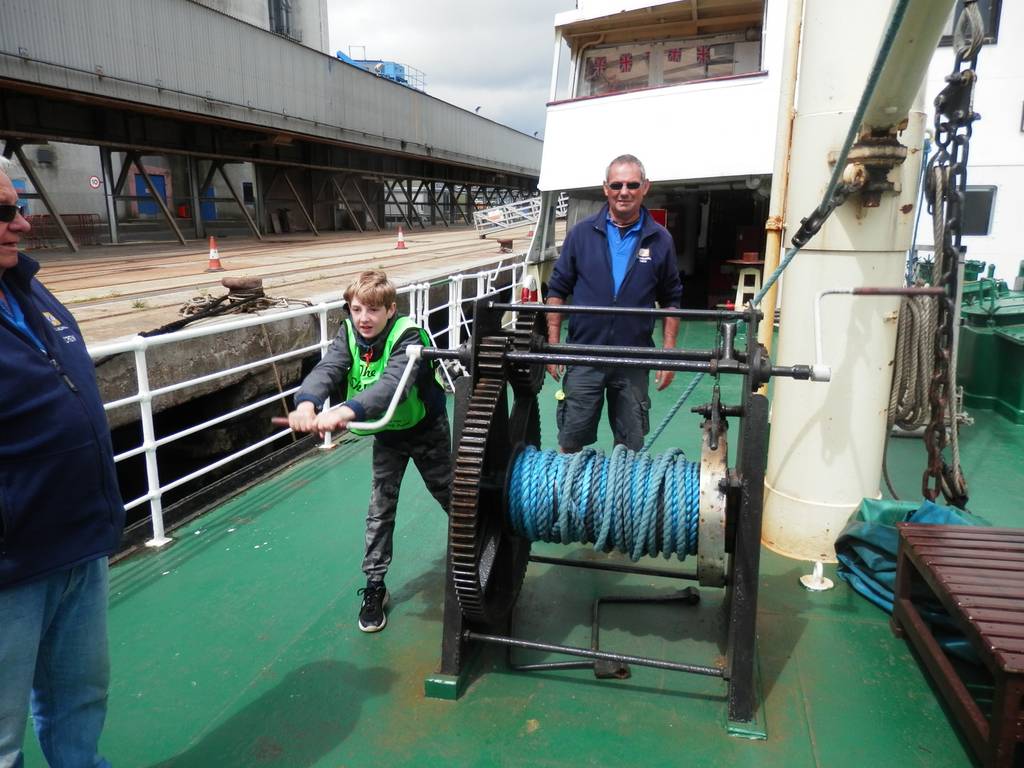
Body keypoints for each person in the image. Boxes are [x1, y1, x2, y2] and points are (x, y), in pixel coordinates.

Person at [0, 166, 125, 767]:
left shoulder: (25, 286)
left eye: (19, 206)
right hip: (11, 567)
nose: (21, 223)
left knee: (79, 701)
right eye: (4, 213)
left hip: (77, 544)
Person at [287, 270, 451, 633]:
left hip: (426, 430)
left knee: (451, 497)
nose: (363, 318)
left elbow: (394, 384)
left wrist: (345, 410)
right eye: (357, 308)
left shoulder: (409, 335)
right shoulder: (348, 333)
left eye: (373, 310)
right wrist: (306, 403)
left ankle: (479, 549)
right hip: (388, 436)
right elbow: (329, 368)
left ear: (390, 310)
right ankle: (375, 586)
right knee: (380, 510)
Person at [545, 154, 683, 453]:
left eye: (632, 184)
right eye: (617, 184)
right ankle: (573, 497)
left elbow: (672, 298)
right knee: (571, 441)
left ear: (645, 187)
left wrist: (668, 351)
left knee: (630, 445)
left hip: (633, 357)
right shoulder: (581, 234)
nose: (624, 191)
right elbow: (557, 289)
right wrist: (553, 345)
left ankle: (621, 498)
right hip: (584, 354)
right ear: (605, 188)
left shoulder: (660, 240)